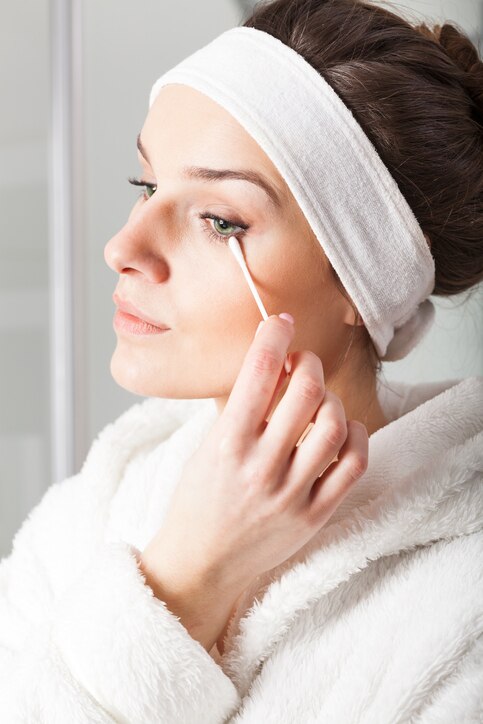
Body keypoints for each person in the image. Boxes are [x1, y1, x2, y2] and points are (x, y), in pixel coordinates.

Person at [1, 0, 482, 721]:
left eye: (220, 221)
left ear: (361, 284)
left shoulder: (461, 601)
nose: (123, 248)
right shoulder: (89, 513)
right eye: (147, 186)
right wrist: (180, 584)